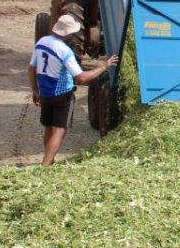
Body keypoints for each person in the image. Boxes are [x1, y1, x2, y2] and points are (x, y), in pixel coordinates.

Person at [28, 14, 117, 165]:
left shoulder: (42, 42)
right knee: (59, 130)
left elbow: (31, 69)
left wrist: (35, 90)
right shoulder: (64, 51)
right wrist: (104, 66)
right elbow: (81, 78)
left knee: (49, 127)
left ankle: (50, 160)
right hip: (61, 94)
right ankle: (44, 166)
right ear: (67, 33)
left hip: (45, 92)